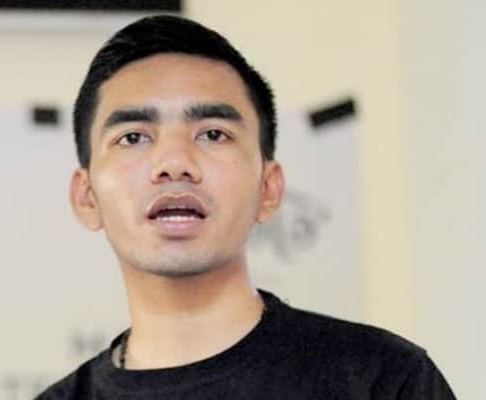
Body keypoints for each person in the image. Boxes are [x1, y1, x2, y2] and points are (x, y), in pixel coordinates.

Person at [35, 15, 455, 400]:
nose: (175, 163)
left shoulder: (384, 380)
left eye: (213, 134)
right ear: (86, 197)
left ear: (268, 189)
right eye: (133, 137)